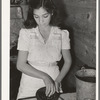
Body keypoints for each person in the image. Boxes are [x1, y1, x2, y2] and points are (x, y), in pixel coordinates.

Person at [16, 0, 72, 99]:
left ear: (52, 12)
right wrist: (45, 77)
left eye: (45, 16)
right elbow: (20, 65)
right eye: (36, 16)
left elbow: (68, 61)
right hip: (30, 80)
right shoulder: (26, 33)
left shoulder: (62, 33)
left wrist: (58, 80)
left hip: (54, 79)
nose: (41, 21)